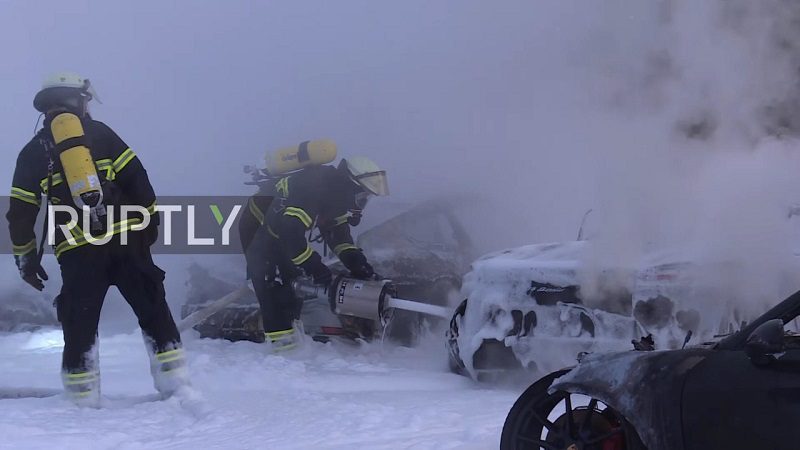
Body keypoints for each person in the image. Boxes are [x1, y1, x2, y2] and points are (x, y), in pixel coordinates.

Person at [6, 72, 187, 405]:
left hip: (78, 254)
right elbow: (139, 181)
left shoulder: (32, 152)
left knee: (80, 326)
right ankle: (177, 387)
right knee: (154, 313)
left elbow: (20, 214)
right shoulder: (102, 134)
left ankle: (82, 402)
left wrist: (26, 260)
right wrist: (149, 226)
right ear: (77, 100)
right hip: (128, 244)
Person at [240, 156, 388, 351]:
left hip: (282, 234)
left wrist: (358, 264)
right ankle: (283, 353)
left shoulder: (336, 196)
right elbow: (290, 233)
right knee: (273, 289)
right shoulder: (312, 189)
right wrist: (315, 267)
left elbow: (339, 237)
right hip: (258, 228)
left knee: (291, 287)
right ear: (351, 186)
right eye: (362, 196)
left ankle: (293, 340)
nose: (361, 203)